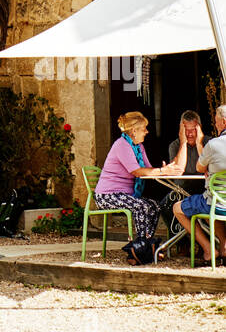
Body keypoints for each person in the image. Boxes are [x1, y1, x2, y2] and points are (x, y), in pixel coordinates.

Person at [95, 110, 180, 264]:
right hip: (107, 195)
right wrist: (161, 171)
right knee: (143, 207)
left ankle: (144, 249)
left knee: (154, 206)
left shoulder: (138, 147)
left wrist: (166, 170)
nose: (147, 132)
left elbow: (147, 169)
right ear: (134, 131)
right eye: (144, 129)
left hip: (124, 195)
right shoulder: (121, 145)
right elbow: (137, 171)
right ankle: (141, 251)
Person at [172, 103, 226, 264]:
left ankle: (209, 249)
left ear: (223, 122)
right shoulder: (175, 145)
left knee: (177, 208)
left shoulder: (213, 144)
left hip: (215, 203)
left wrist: (200, 144)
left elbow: (199, 167)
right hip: (220, 202)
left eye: (216, 121)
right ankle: (224, 246)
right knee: (212, 206)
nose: (215, 125)